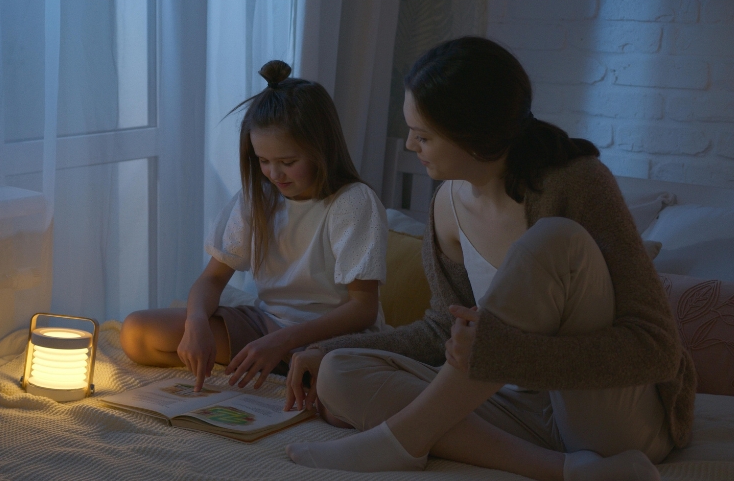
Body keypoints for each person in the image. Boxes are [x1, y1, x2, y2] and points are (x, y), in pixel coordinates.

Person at [283, 37, 696, 481]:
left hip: (608, 415)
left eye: (423, 136)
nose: (409, 146)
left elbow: (657, 349)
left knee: (555, 238)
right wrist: (327, 348)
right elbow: (445, 329)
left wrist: (510, 355)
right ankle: (567, 470)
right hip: (517, 408)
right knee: (338, 372)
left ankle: (402, 441)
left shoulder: (578, 183)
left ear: (473, 136)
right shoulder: (446, 205)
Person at [120, 60, 389, 393]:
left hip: (332, 338)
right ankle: (274, 365)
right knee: (137, 333)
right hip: (267, 326)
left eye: (288, 163)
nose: (275, 174)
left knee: (339, 386)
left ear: (322, 149)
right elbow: (212, 278)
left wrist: (281, 342)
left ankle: (291, 368)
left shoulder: (353, 202)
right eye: (263, 161)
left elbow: (363, 308)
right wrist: (197, 323)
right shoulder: (259, 197)